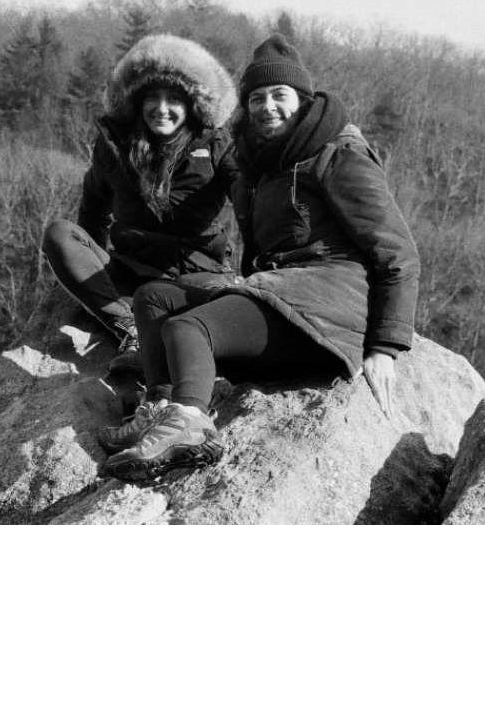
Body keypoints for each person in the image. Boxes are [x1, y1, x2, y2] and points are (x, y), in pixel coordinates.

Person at [99, 32, 420, 482]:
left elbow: (397, 252)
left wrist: (386, 346)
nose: (267, 106)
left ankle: (190, 424)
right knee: (154, 298)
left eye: (279, 95)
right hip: (277, 292)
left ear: (302, 100)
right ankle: (162, 406)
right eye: (257, 98)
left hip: (325, 308)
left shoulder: (338, 153)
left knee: (188, 327)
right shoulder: (261, 164)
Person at [41, 33, 238, 371]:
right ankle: (128, 327)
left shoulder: (216, 145)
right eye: (153, 98)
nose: (162, 109)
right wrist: (90, 272)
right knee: (59, 234)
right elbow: (92, 212)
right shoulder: (115, 147)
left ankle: (158, 349)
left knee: (193, 313)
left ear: (191, 105)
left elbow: (247, 198)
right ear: (137, 102)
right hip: (128, 273)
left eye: (173, 99)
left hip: (196, 275)